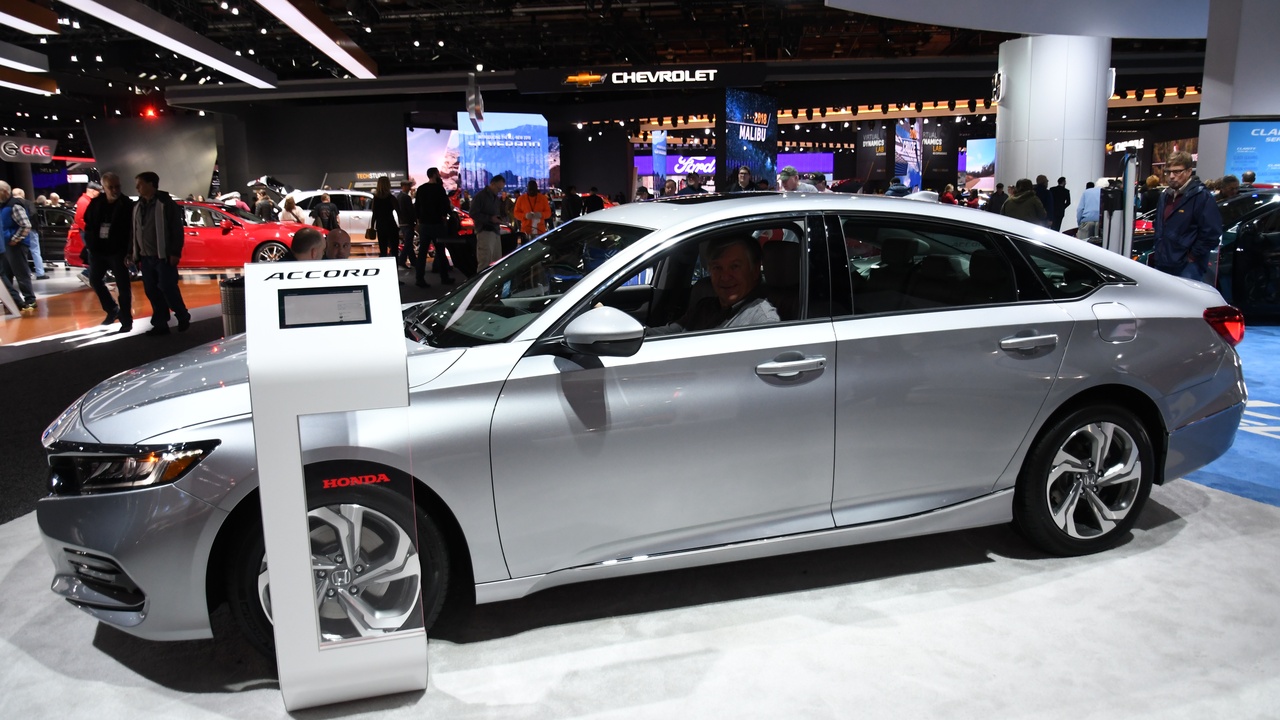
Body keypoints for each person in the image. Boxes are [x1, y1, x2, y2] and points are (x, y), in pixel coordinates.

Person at [649, 236, 779, 335]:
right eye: (717, 267)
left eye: (734, 267)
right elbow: (670, 333)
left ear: (755, 270)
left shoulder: (762, 321)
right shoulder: (704, 307)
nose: (725, 276)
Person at [132, 171, 190, 336]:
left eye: (140, 184)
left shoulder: (166, 203)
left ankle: (182, 315)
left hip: (163, 256)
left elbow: (176, 230)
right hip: (146, 256)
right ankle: (160, 324)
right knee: (151, 290)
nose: (137, 187)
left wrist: (174, 252)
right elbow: (134, 230)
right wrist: (133, 253)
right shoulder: (137, 206)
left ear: (151, 184)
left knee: (167, 287)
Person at [1152, 152, 1222, 282]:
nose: (1171, 176)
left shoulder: (1201, 196)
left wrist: (1192, 256)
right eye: (1168, 172)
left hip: (1188, 267)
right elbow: (1160, 226)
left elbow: (1211, 233)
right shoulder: (1165, 195)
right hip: (1163, 262)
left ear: (1189, 171)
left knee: (1184, 301)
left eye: (1177, 171)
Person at [82, 172, 135, 332]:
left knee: (123, 286)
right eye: (110, 187)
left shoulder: (127, 205)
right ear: (104, 187)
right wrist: (91, 245)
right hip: (99, 250)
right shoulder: (96, 203)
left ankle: (126, 319)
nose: (114, 190)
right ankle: (112, 309)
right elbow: (88, 223)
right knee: (95, 281)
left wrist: (130, 252)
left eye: (117, 186)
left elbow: (132, 230)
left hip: (118, 251)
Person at [0, 180, 38, 311]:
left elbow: (26, 224)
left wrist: (15, 239)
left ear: (4, 191)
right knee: (6, 274)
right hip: (5, 245)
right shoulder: (3, 205)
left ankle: (30, 300)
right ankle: (11, 301)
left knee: (21, 274)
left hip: (16, 245)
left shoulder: (14, 205)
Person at [415, 167, 456, 284]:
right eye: (438, 173)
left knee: (422, 253)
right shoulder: (439, 189)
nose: (439, 175)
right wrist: (445, 216)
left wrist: (418, 221)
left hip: (424, 224)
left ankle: (419, 278)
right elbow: (445, 206)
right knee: (440, 251)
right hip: (437, 224)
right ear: (434, 175)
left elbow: (417, 207)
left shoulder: (421, 189)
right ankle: (444, 277)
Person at [470, 175, 506, 270]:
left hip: (495, 231)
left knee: (496, 261)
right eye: (498, 188)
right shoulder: (480, 196)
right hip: (484, 231)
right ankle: (481, 284)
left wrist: (499, 218)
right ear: (492, 184)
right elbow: (473, 213)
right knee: (485, 262)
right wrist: (490, 218)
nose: (499, 191)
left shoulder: (495, 198)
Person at [10, 188, 46, 279]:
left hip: (16, 231)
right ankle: (40, 273)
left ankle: (26, 273)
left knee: (22, 253)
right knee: (35, 251)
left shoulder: (10, 204)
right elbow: (33, 214)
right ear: (22, 194)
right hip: (31, 230)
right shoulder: (29, 203)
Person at [70, 181, 101, 283]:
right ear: (92, 191)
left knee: (94, 254)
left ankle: (91, 276)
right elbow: (79, 218)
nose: (99, 193)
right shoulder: (84, 201)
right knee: (95, 254)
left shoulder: (86, 200)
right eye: (98, 191)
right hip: (87, 232)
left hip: (87, 231)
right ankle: (87, 275)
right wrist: (89, 230)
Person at [369, 176, 399, 258]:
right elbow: (399, 211)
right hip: (391, 225)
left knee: (383, 250)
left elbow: (374, 214)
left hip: (380, 226)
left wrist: (372, 226)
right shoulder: (391, 198)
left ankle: (384, 267)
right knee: (394, 249)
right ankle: (394, 267)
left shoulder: (376, 198)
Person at [396, 179, 416, 269]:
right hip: (408, 223)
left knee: (409, 242)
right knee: (408, 243)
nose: (410, 188)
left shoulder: (399, 196)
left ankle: (414, 261)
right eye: (408, 186)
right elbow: (411, 211)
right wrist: (414, 221)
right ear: (404, 186)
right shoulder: (406, 198)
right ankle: (402, 260)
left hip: (402, 223)